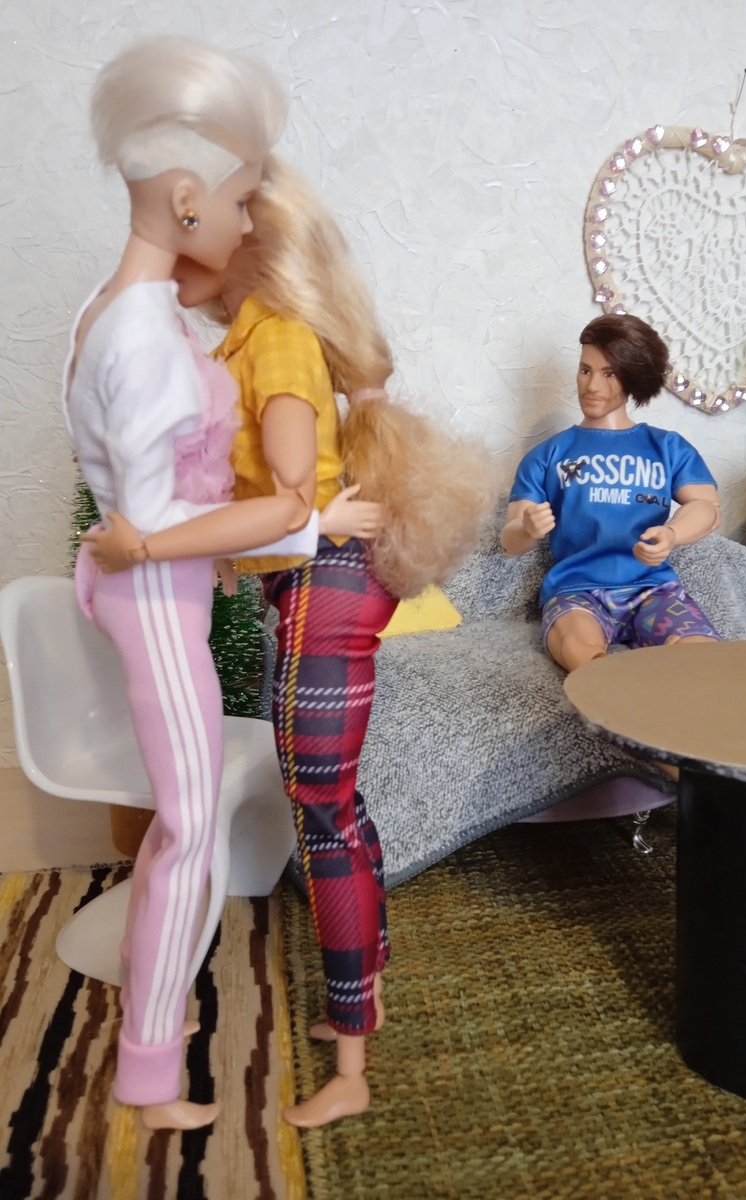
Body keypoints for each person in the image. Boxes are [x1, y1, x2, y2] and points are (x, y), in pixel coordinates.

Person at [86, 154, 498, 1127]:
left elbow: (287, 501)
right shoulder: (251, 343)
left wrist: (152, 545)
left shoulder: (274, 341)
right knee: (335, 807)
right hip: (313, 584)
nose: (187, 242)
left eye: (211, 221)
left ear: (251, 249)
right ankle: (365, 996)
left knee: (323, 812)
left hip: (325, 588)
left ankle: (352, 1065)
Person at [66, 37, 378, 1133]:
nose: (250, 224)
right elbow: (215, 517)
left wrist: (156, 547)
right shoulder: (148, 337)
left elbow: (166, 507)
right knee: (190, 827)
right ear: (187, 199)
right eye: (241, 200)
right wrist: (156, 552)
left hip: (163, 594)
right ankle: (149, 1073)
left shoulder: (118, 310)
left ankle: (152, 1047)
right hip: (157, 604)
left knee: (187, 824)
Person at [500, 314, 722, 672]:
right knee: (578, 649)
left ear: (633, 377)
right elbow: (509, 543)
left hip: (652, 590)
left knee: (704, 657)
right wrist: (526, 528)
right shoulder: (548, 455)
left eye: (609, 373)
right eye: (585, 370)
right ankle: (614, 697)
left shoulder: (667, 447)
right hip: (575, 591)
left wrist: (672, 533)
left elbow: (707, 507)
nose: (592, 385)